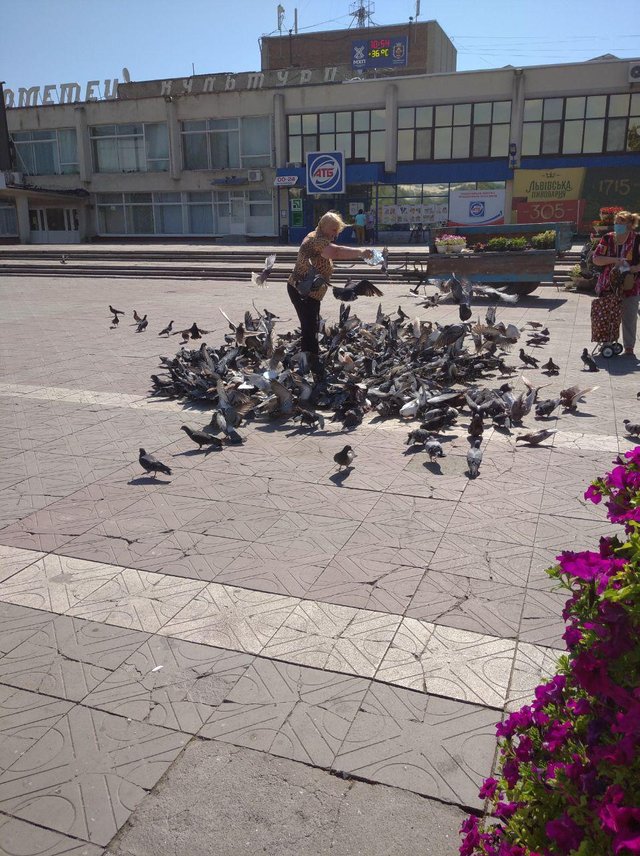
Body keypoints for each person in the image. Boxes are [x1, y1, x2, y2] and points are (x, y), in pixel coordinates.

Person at [287, 211, 373, 378]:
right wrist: (361, 252)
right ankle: (309, 362)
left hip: (309, 292)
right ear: (324, 226)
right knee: (309, 326)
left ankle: (311, 357)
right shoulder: (316, 240)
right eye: (334, 229)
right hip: (302, 291)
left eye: (338, 230)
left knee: (312, 324)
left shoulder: (318, 236)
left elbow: (330, 253)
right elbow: (336, 252)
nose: (336, 233)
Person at [592, 210, 640, 356]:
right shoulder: (608, 239)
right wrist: (615, 260)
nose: (617, 225)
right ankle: (606, 344)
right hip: (608, 285)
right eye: (616, 222)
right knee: (606, 314)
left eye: (621, 223)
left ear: (630, 225)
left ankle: (629, 347)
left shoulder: (637, 240)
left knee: (629, 316)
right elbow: (596, 259)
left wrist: (633, 268)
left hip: (630, 285)